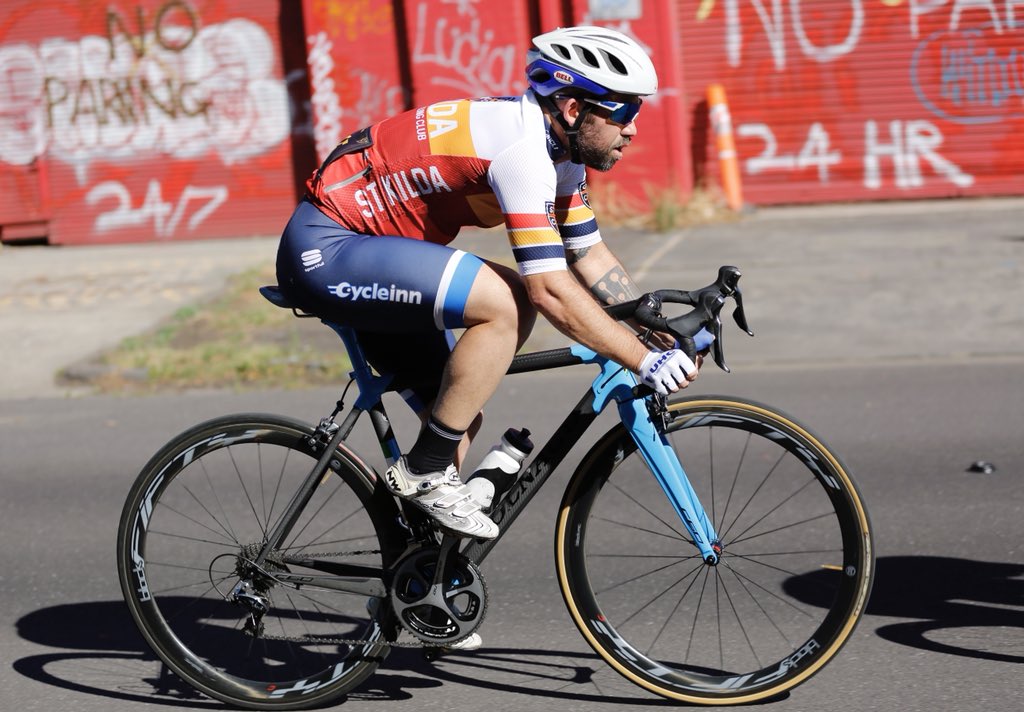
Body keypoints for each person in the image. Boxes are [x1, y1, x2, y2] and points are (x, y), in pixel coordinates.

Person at [276, 26, 699, 542]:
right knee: (509, 302)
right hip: (327, 250)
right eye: (624, 112)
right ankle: (424, 474)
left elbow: (588, 255)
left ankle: (416, 586)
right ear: (572, 109)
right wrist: (643, 359)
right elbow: (547, 289)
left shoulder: (558, 154)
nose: (633, 128)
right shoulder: (522, 153)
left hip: (375, 255)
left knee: (454, 416)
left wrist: (653, 328)